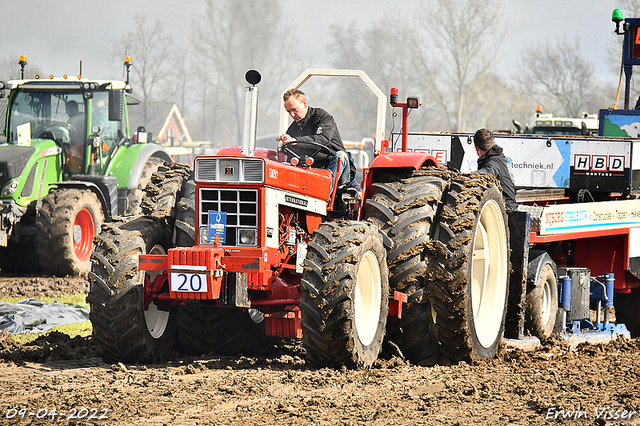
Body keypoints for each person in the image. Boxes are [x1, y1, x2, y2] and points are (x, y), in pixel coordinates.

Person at [277, 89, 356, 197]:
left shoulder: (323, 117)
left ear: (304, 103)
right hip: (312, 171)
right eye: (289, 111)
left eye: (294, 109)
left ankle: (324, 196)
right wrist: (286, 144)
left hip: (335, 167)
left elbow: (322, 139)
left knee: (341, 155)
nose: (292, 114)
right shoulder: (292, 130)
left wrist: (296, 141)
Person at [473, 128, 518, 211]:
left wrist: (468, 175)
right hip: (507, 205)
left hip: (506, 209)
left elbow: (487, 172)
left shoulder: (494, 161)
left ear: (476, 148)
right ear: (494, 142)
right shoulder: (499, 157)